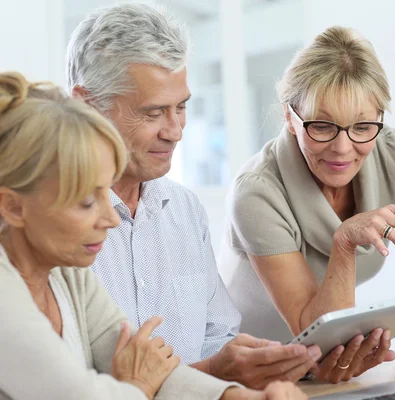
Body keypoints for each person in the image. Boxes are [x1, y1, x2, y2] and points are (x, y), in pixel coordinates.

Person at [0, 71, 308, 400]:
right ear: (12, 207)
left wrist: (245, 398)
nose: (110, 218)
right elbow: (88, 394)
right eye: (87, 201)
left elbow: (152, 369)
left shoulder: (67, 275)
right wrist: (138, 387)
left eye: (106, 192)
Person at [66, 3, 318, 389]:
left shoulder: (184, 210)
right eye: (153, 113)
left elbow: (218, 339)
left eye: (181, 107)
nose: (176, 131)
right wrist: (215, 373)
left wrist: (274, 364)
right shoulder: (49, 225)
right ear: (87, 105)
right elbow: (73, 387)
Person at [218, 26, 395, 383]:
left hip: (324, 368)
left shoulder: (389, 150)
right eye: (323, 126)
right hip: (250, 374)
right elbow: (315, 331)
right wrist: (344, 242)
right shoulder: (256, 193)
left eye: (362, 126)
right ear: (290, 117)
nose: (343, 149)